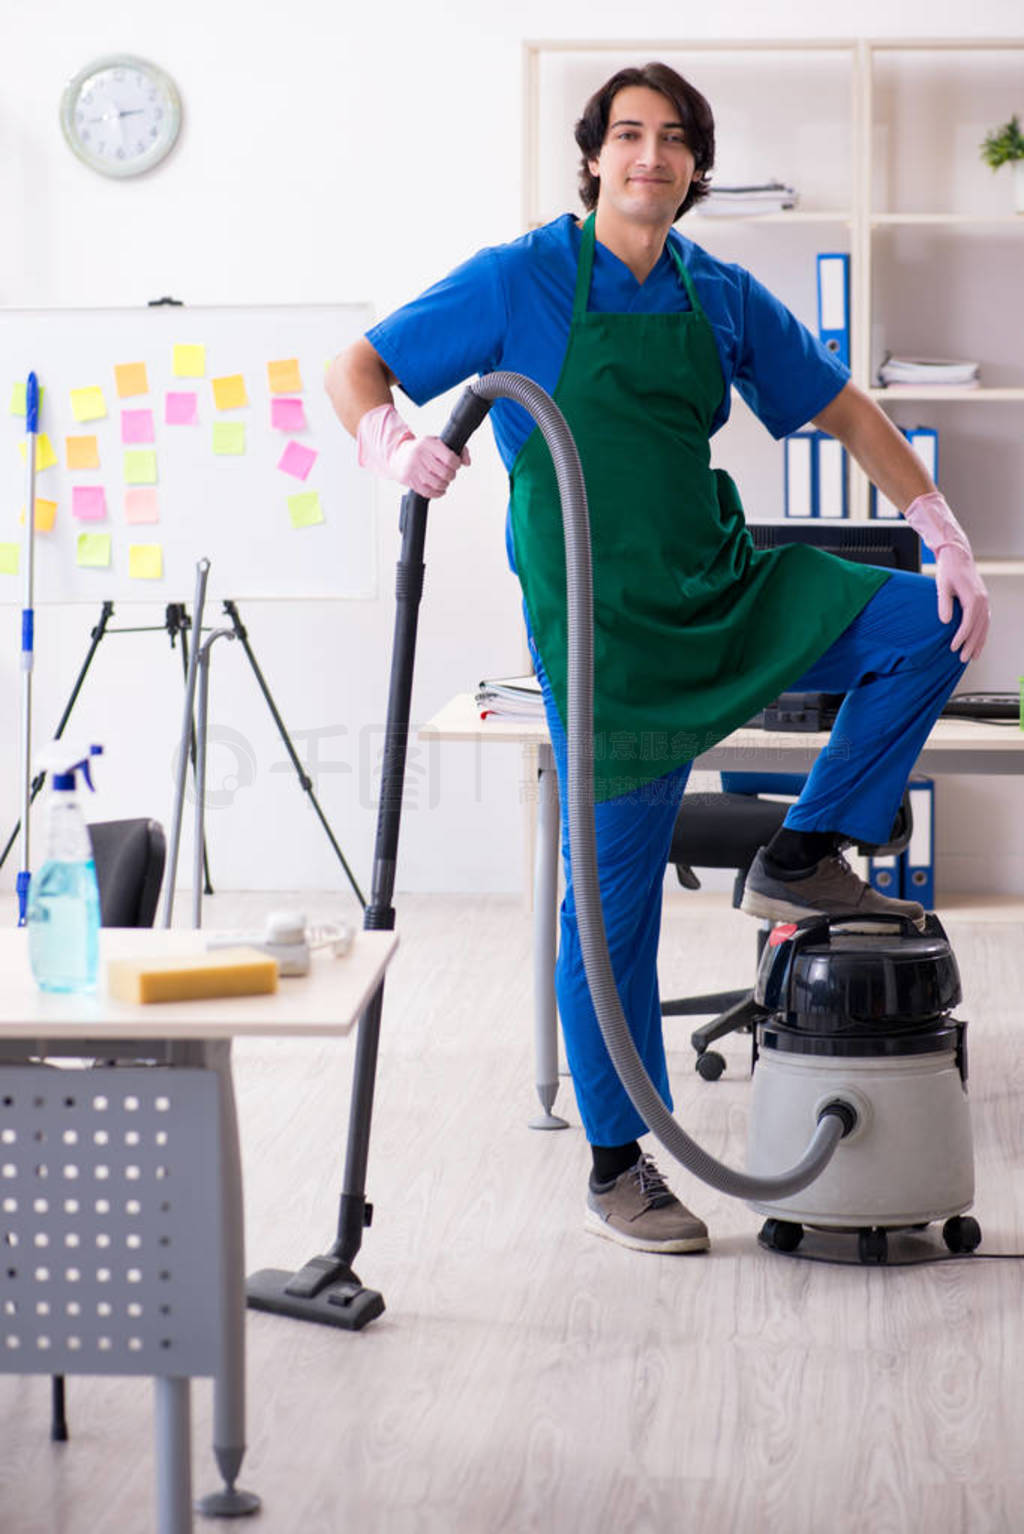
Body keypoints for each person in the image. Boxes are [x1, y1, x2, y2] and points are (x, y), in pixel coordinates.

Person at [327, 62, 990, 1257]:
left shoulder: (716, 289)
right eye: (627, 135)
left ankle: (803, 849)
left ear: (694, 166)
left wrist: (941, 529)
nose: (650, 156)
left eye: (673, 139)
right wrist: (389, 440)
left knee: (928, 627)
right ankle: (619, 1160)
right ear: (593, 158)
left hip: (723, 586)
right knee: (608, 921)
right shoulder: (518, 279)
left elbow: (842, 408)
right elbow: (357, 365)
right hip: (605, 637)